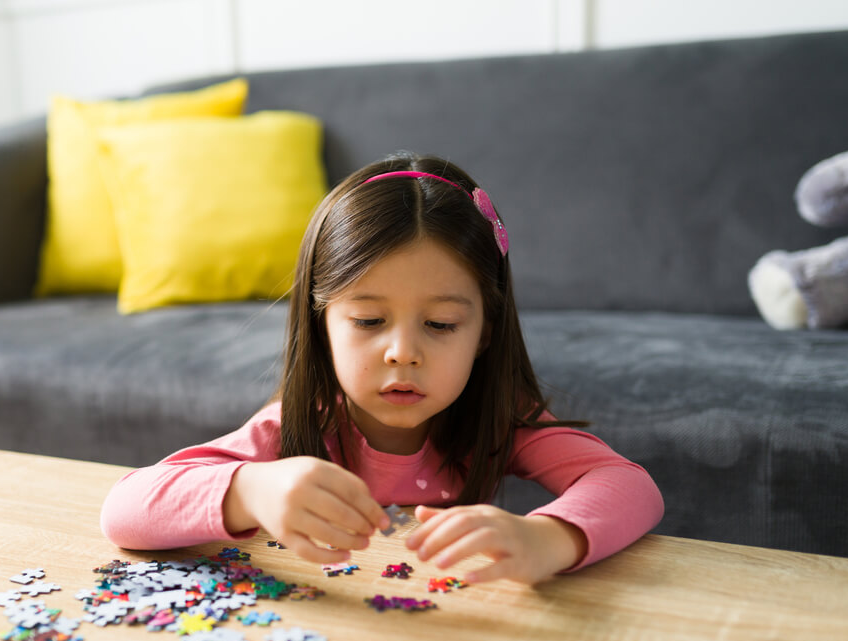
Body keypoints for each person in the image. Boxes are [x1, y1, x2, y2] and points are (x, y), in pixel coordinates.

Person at [102, 152, 663, 585]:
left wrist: (548, 539)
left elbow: (631, 487)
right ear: (322, 326)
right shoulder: (298, 427)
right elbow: (123, 510)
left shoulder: (504, 419)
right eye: (369, 321)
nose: (402, 352)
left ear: (484, 332)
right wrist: (251, 490)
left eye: (441, 325)